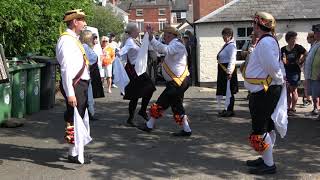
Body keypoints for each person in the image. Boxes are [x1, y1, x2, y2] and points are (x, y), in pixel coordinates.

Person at [242, 12, 287, 174]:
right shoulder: (266, 41)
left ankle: (269, 165)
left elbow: (273, 68)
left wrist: (279, 79)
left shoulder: (266, 42)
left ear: (259, 25)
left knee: (260, 129)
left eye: (254, 24)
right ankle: (266, 159)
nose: (252, 27)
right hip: (264, 89)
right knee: (266, 126)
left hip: (265, 90)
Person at [138, 26, 192, 137]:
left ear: (170, 35)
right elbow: (162, 49)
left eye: (165, 35)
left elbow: (164, 49)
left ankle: (149, 125)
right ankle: (187, 130)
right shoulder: (175, 44)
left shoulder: (176, 44)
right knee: (177, 105)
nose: (164, 37)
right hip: (178, 82)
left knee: (161, 103)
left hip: (177, 82)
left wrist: (152, 38)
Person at [56, 9, 91, 164]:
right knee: (74, 118)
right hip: (74, 85)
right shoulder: (66, 40)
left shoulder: (74, 39)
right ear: (75, 22)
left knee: (80, 116)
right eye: (82, 20)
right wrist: (70, 93)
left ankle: (76, 151)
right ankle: (73, 153)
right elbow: (65, 68)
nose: (85, 23)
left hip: (80, 84)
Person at [119, 22, 156, 126]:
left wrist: (148, 33)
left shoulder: (135, 40)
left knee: (149, 89)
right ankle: (133, 116)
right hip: (134, 71)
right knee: (138, 94)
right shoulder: (130, 41)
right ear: (132, 32)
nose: (138, 31)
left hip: (138, 70)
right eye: (136, 30)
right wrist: (116, 53)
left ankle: (140, 112)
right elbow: (123, 51)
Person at [80, 30, 104, 121]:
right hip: (86, 73)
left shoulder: (84, 46)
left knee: (87, 94)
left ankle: (89, 113)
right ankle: (90, 113)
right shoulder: (85, 47)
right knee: (88, 95)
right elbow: (93, 59)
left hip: (86, 72)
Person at [281, 31, 307, 115]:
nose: (295, 40)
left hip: (295, 72)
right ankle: (288, 108)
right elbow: (282, 59)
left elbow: (306, 53)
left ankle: (293, 108)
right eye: (294, 38)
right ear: (288, 39)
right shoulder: (283, 49)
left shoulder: (298, 47)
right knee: (287, 91)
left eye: (296, 38)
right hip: (286, 72)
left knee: (293, 90)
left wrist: (301, 61)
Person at [216, 27, 238, 117]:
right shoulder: (227, 45)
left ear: (230, 36)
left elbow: (232, 59)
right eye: (223, 36)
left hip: (227, 70)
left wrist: (229, 72)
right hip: (223, 69)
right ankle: (226, 109)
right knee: (225, 90)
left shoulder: (232, 46)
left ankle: (230, 110)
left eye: (225, 36)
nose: (223, 38)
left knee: (229, 91)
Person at [305, 24, 320, 119]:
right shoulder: (315, 43)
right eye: (314, 32)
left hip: (318, 74)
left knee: (318, 93)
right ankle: (315, 109)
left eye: (316, 32)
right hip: (312, 74)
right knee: (315, 94)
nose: (315, 34)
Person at [302, 32, 315, 107]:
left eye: (309, 37)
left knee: (311, 86)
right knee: (306, 85)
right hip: (308, 71)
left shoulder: (316, 46)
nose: (307, 39)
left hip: (313, 72)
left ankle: (309, 100)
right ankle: (309, 100)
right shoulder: (311, 46)